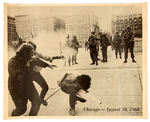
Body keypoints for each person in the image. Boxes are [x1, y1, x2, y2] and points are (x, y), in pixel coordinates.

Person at [27, 41, 57, 106]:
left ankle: (40, 99)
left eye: (35, 50)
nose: (34, 52)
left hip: (36, 74)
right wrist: (48, 65)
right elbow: (36, 61)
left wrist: (50, 61)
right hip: (28, 76)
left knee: (45, 87)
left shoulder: (35, 53)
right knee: (32, 97)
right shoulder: (25, 55)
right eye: (33, 50)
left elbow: (42, 56)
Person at [8, 43, 34, 116]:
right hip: (16, 89)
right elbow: (19, 78)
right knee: (22, 109)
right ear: (25, 53)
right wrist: (27, 66)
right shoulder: (13, 61)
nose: (32, 56)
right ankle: (12, 117)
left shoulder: (25, 59)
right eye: (30, 54)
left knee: (35, 102)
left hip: (24, 87)